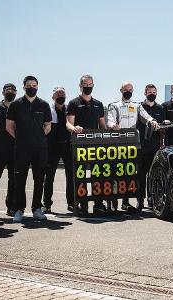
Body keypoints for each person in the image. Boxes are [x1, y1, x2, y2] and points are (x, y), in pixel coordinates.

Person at [6, 76, 52, 222]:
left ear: (37, 86)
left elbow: (48, 126)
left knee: (39, 179)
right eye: (28, 85)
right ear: (24, 87)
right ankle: (19, 209)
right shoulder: (16, 104)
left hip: (40, 148)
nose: (31, 87)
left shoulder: (44, 105)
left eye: (34, 85)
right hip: (21, 148)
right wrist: (21, 138)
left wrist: (37, 137)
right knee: (20, 179)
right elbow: (9, 126)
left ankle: (37, 208)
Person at [66, 74, 106, 214]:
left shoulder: (99, 104)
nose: (88, 87)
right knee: (80, 175)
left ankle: (98, 204)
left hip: (96, 146)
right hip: (79, 145)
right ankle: (82, 204)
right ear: (80, 85)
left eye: (90, 84)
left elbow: (102, 126)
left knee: (97, 175)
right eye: (85, 84)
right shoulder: (73, 103)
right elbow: (68, 124)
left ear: (93, 85)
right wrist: (74, 128)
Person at [107, 81, 139, 212]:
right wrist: (113, 125)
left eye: (131, 89)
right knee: (115, 174)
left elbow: (146, 117)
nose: (128, 91)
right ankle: (113, 203)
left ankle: (125, 202)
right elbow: (109, 120)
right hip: (117, 144)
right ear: (121, 90)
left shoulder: (137, 106)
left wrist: (152, 121)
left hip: (131, 144)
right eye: (126, 89)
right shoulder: (114, 105)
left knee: (129, 174)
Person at [42, 87, 73, 214]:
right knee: (49, 177)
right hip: (52, 147)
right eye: (58, 94)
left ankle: (71, 203)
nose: (61, 96)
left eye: (63, 94)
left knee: (70, 176)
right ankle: (47, 204)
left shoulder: (69, 109)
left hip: (67, 146)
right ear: (53, 97)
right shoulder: (48, 110)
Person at [136, 84, 165, 210]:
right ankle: (139, 200)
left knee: (153, 175)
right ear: (145, 93)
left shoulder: (160, 108)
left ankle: (151, 199)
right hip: (141, 145)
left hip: (155, 146)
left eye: (154, 92)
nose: (152, 94)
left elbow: (163, 128)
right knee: (141, 175)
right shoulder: (139, 106)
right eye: (149, 92)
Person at [0, 83, 17, 216]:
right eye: (8, 90)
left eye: (13, 90)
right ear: (3, 93)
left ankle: (11, 207)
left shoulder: (17, 108)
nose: (11, 92)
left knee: (13, 179)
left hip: (14, 148)